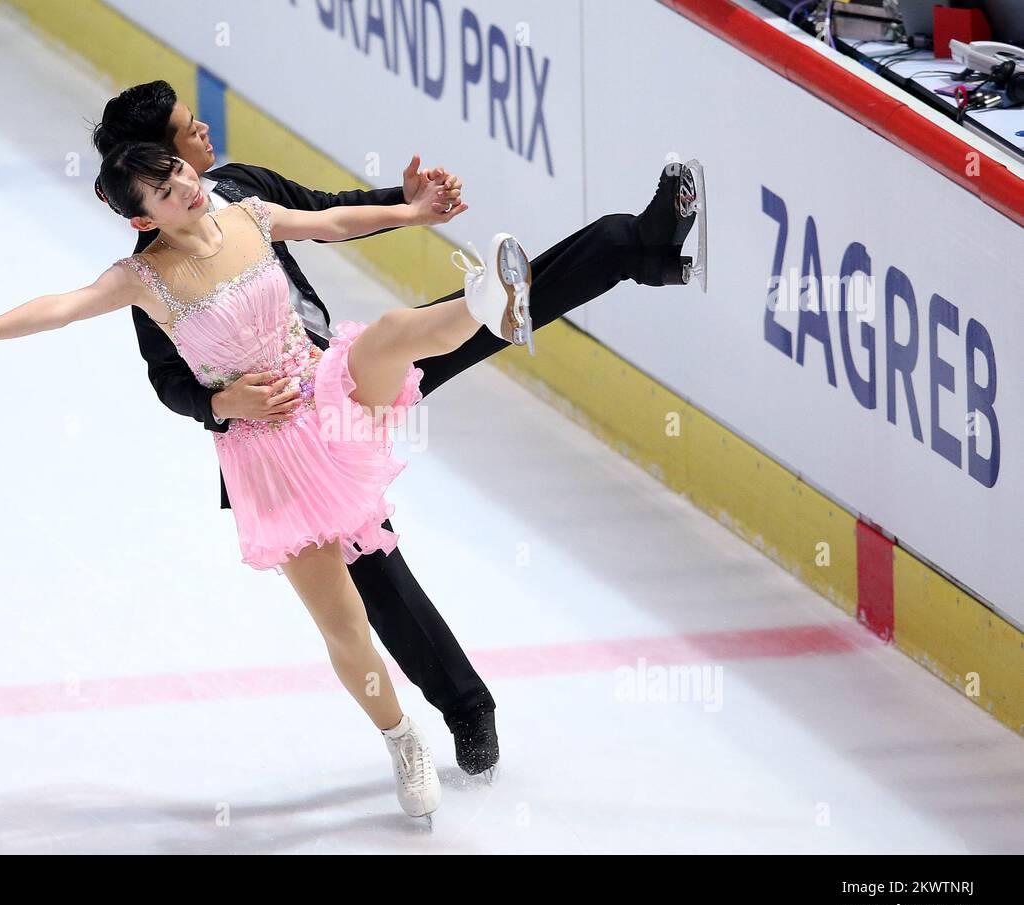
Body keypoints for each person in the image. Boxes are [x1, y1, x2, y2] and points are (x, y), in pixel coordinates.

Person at [0, 140, 535, 822]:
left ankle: (487, 303)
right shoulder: (142, 278)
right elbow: (64, 305)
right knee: (346, 623)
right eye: (163, 192)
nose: (184, 187)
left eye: (175, 172)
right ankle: (401, 736)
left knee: (385, 335)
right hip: (269, 455)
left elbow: (334, 221)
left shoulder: (248, 215)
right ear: (143, 220)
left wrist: (411, 212)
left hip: (325, 395)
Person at [89, 81, 707, 782]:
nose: (200, 130)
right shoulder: (156, 273)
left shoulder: (238, 190)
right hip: (282, 440)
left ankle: (634, 245)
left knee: (482, 310)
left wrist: (407, 204)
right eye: (183, 132)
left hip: (344, 378)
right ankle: (465, 709)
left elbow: (324, 212)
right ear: (158, 170)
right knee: (372, 582)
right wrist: (223, 403)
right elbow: (167, 379)